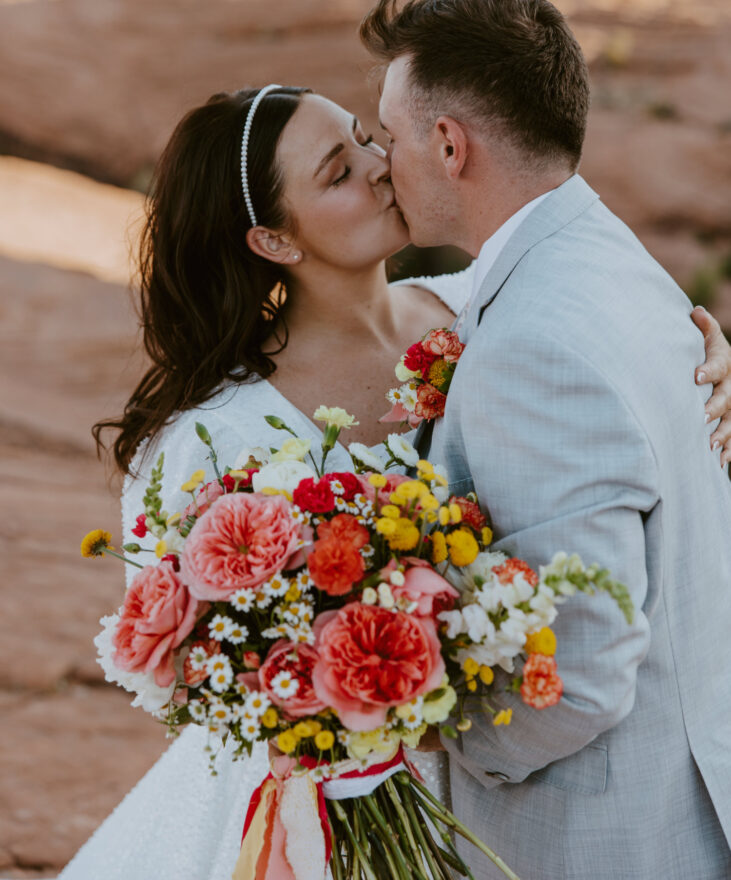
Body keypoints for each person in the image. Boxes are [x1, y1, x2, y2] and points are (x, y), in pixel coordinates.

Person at [57, 83, 730, 880]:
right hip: (342, 808)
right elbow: (194, 671)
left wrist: (707, 365)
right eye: (338, 171)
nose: (381, 167)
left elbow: (614, 361)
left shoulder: (481, 309)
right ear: (274, 241)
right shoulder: (213, 435)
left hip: (526, 784)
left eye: (366, 138)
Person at [360, 0, 731, 879]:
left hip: (600, 843)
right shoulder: (611, 257)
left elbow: (581, 664)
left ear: (449, 146)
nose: (380, 164)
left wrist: (436, 743)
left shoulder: (532, 345)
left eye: (389, 138)